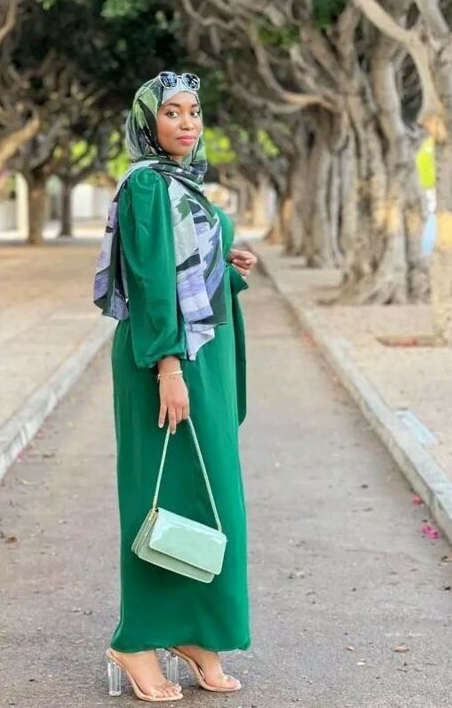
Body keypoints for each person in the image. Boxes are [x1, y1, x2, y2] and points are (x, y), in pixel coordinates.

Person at [93, 71, 258, 702]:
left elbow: (189, 268)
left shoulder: (183, 183)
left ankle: (194, 631)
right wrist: (167, 368)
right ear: (147, 122)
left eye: (194, 111)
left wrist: (227, 263)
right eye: (172, 113)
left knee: (213, 501)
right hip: (164, 357)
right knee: (158, 497)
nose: (187, 123)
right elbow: (152, 282)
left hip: (203, 355)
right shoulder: (145, 185)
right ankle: (137, 639)